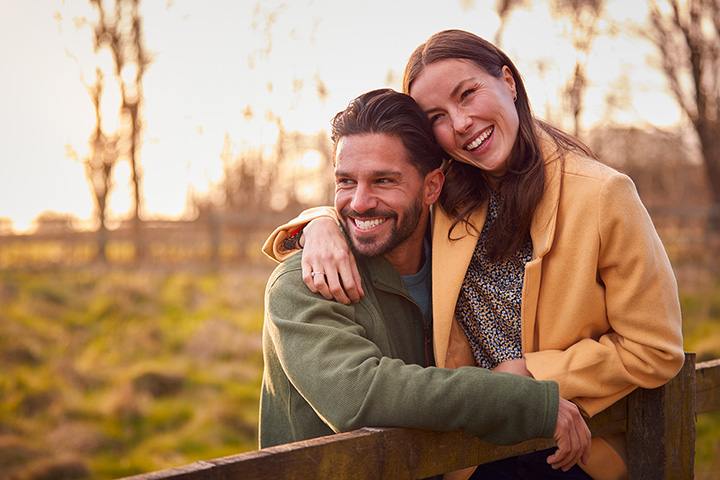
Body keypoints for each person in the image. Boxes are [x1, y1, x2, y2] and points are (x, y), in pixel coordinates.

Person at [263, 30, 685, 480]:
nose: (461, 123)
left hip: (569, 444)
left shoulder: (602, 195)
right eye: (438, 116)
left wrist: (529, 375)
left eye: (468, 94)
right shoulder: (456, 194)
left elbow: (655, 348)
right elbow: (379, 192)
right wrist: (320, 223)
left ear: (509, 81)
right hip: (468, 453)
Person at [260, 88, 592, 477]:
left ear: (432, 186)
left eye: (383, 180)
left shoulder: (459, 267)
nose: (359, 202)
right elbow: (360, 396)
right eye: (346, 181)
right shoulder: (303, 281)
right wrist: (529, 403)